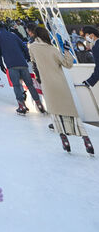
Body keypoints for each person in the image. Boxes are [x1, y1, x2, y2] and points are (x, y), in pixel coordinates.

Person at [30, 25, 94, 155]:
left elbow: (33, 63)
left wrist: (39, 77)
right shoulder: (52, 49)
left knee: (56, 113)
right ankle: (86, 139)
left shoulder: (32, 47)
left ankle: (64, 140)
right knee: (71, 112)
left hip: (47, 85)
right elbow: (68, 64)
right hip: (61, 84)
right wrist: (67, 51)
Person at [0, 22, 45, 115]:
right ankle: (39, 104)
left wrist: (1, 65)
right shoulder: (13, 35)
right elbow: (24, 47)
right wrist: (27, 58)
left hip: (11, 65)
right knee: (30, 85)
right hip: (22, 63)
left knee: (16, 85)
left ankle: (22, 106)